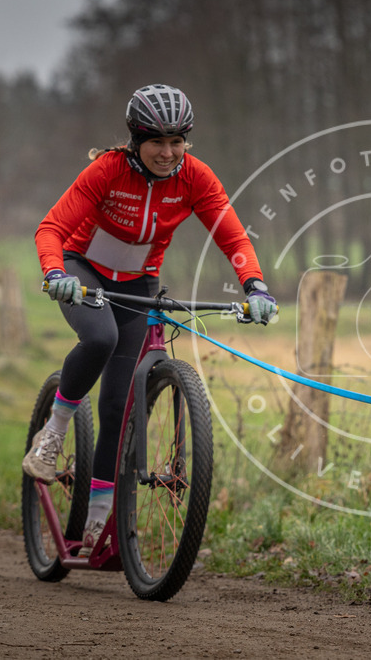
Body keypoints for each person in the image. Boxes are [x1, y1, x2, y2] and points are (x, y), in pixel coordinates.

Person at [22, 83, 276, 555]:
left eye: (177, 142)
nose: (167, 152)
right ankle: (53, 430)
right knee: (99, 339)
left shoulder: (196, 178)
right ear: (136, 141)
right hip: (83, 269)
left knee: (118, 405)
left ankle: (99, 519)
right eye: (157, 142)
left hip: (139, 283)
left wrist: (255, 287)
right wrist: (55, 272)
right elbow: (51, 228)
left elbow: (234, 239)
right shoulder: (107, 171)